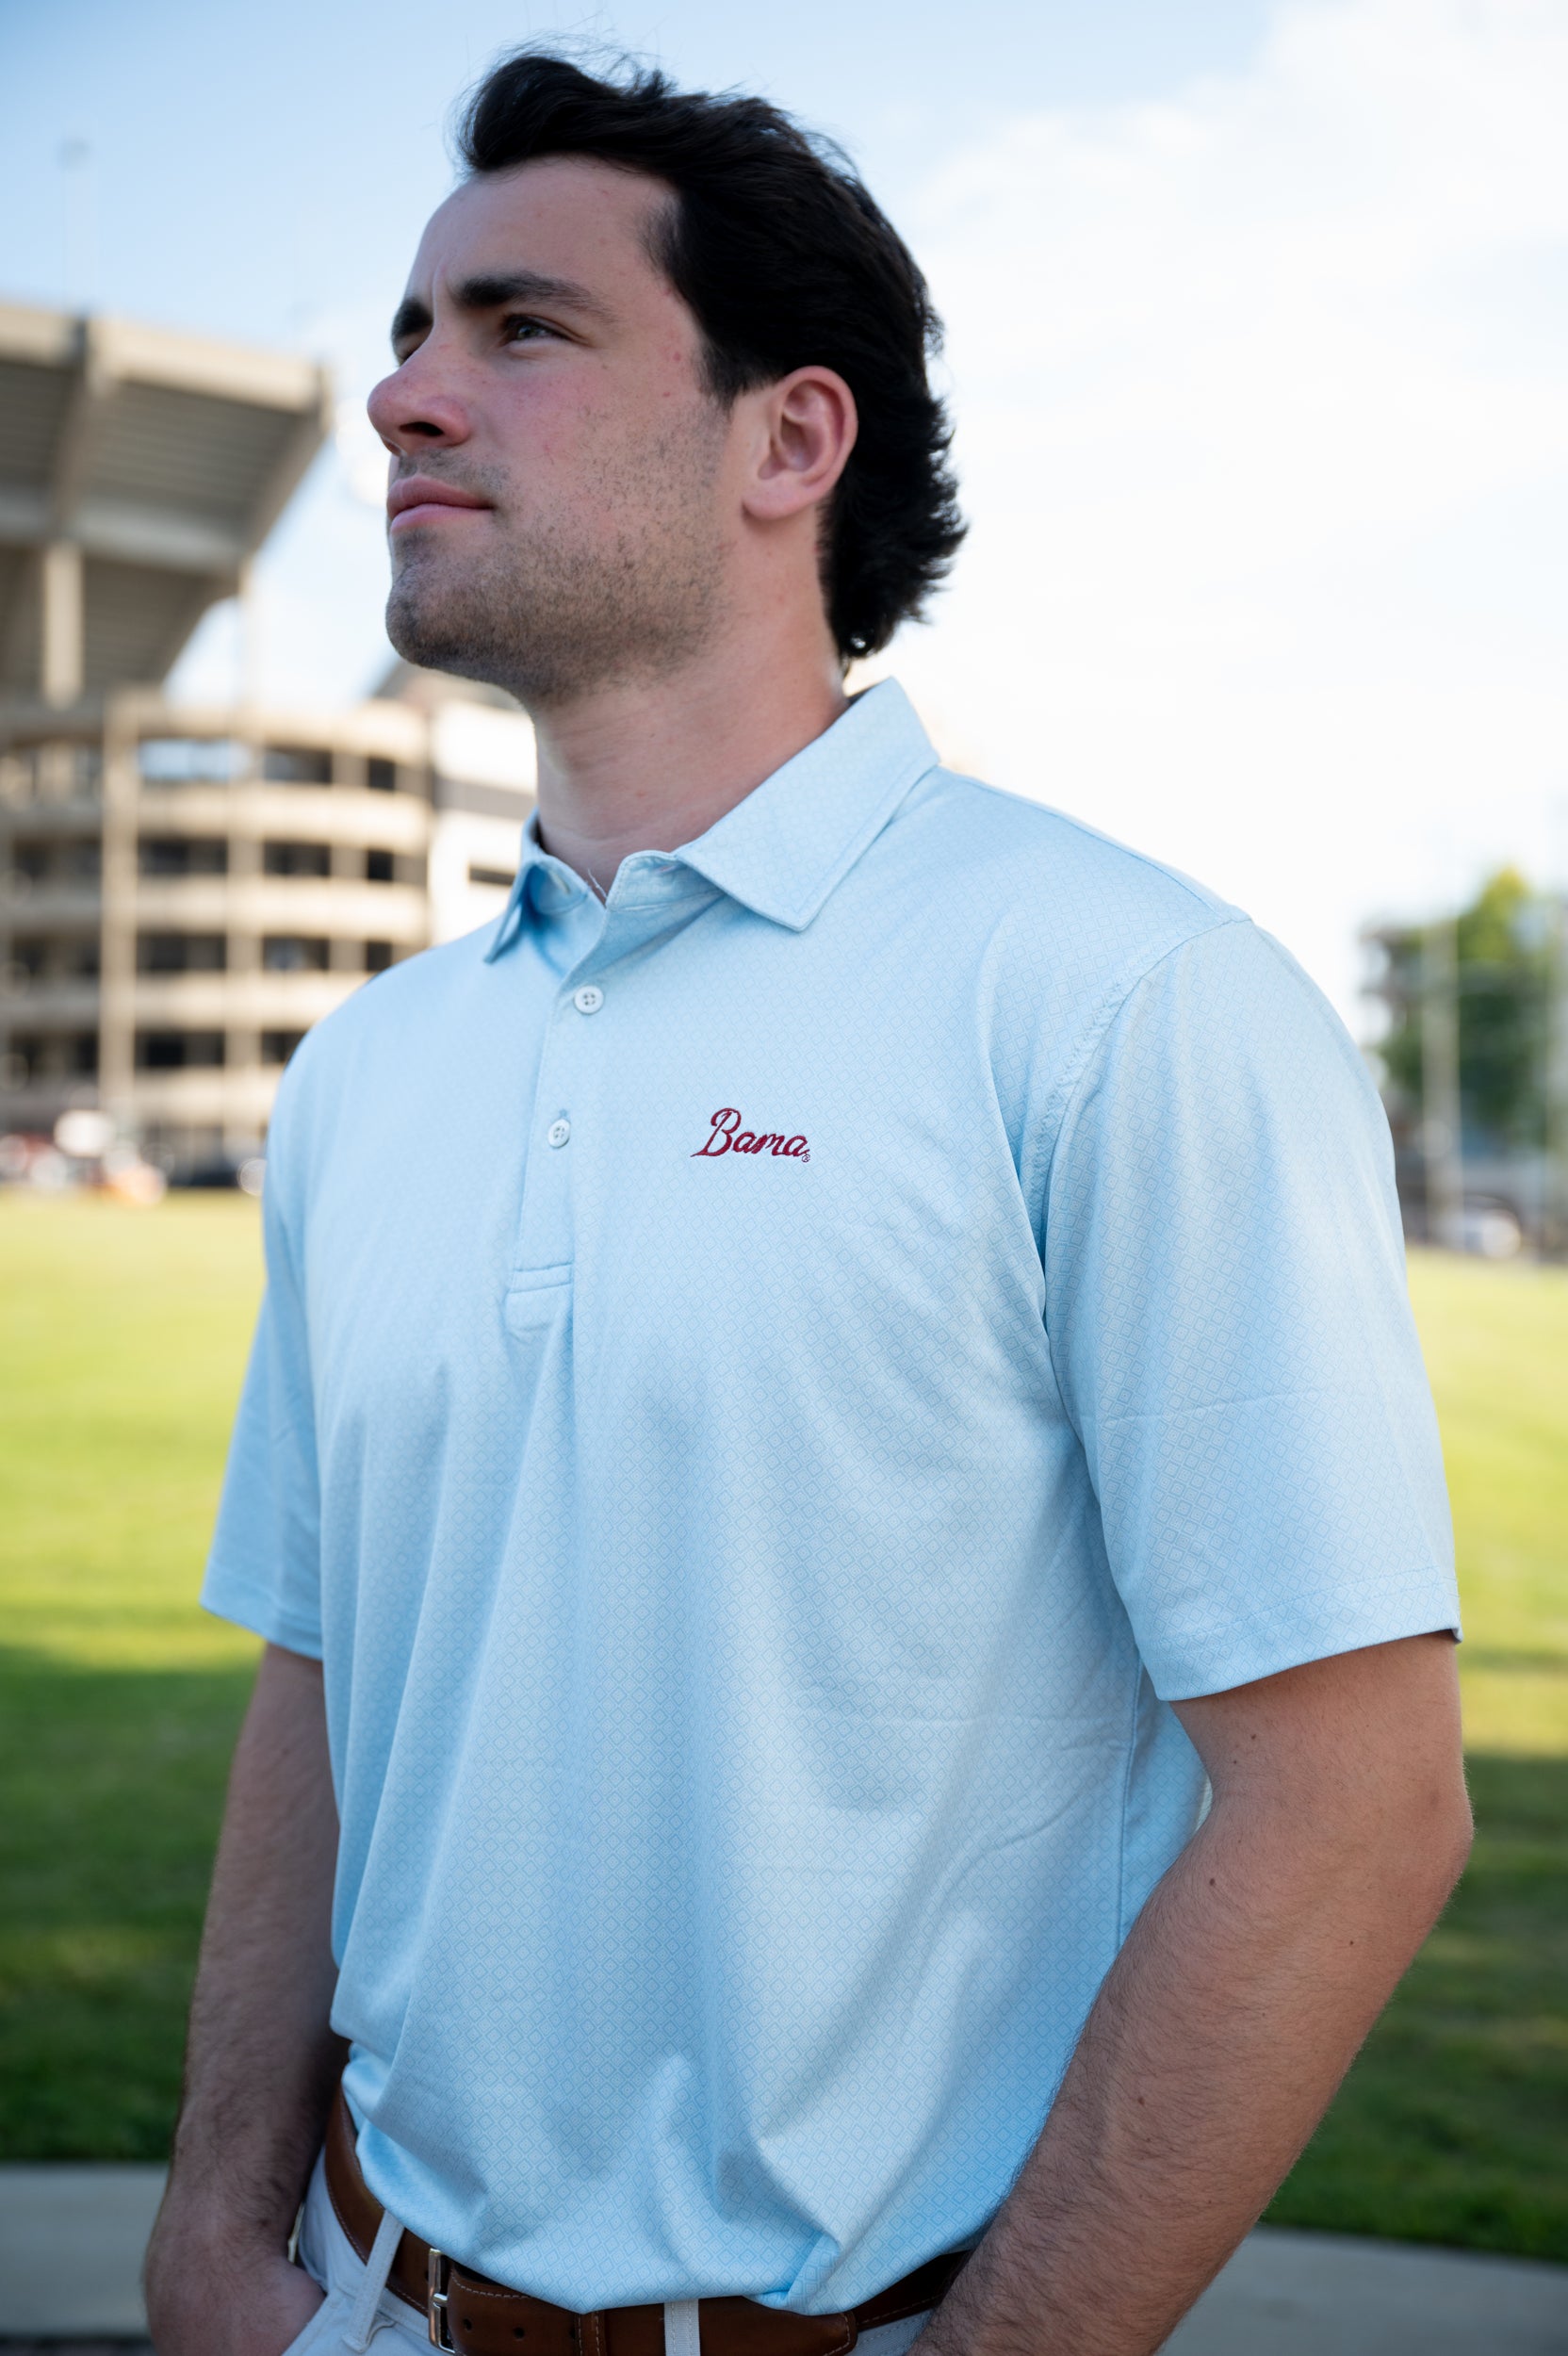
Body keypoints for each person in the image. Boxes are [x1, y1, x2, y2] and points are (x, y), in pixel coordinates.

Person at [144, 51, 1469, 2356]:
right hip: (351, 2305)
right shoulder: (371, 1073)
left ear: (789, 439)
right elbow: (320, 1666)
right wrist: (209, 2237)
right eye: (413, 327)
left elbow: (1353, 1803)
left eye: (519, 328)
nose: (400, 395)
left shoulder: (1123, 997)